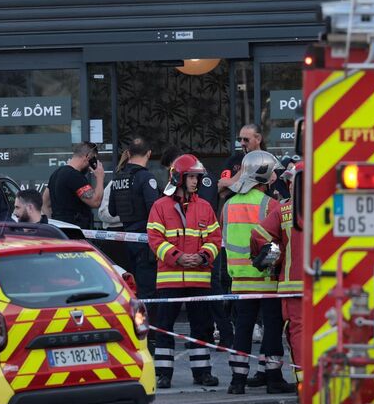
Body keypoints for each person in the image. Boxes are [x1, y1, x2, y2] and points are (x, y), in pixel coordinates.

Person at [221, 150, 294, 395]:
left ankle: (237, 380)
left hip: (239, 281)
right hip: (265, 280)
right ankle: (272, 377)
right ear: (263, 175)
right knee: (272, 329)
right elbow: (279, 242)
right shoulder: (270, 204)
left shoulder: (228, 205)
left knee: (242, 328)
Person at [147, 154, 222, 389]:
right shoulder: (160, 206)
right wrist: (178, 258)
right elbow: (155, 240)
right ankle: (163, 374)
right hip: (169, 279)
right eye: (191, 177)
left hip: (198, 279)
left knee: (200, 328)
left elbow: (215, 238)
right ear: (179, 177)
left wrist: (202, 256)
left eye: (197, 177)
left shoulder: (205, 207)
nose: (195, 182)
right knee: (164, 328)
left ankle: (202, 373)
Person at [162, 146, 232, 347]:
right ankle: (213, 336)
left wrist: (201, 256)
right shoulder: (166, 203)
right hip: (182, 270)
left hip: (202, 263)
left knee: (214, 296)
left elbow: (208, 225)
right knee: (206, 305)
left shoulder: (202, 186)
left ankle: (224, 336)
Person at [252, 160, 304, 387]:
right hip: (332, 285)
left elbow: (258, 236)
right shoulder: (335, 206)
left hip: (294, 286)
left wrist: (274, 258)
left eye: (291, 182)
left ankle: (304, 381)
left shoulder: (284, 210)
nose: (289, 186)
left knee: (299, 333)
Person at [109, 138, 161, 298]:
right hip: (145, 241)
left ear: (129, 153)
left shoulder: (118, 178)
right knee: (148, 288)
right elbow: (154, 210)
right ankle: (148, 322)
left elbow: (112, 210)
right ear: (149, 153)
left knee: (133, 288)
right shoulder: (146, 178)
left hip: (127, 239)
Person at [43, 142, 105, 230]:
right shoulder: (75, 176)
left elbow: (45, 203)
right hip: (75, 232)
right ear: (88, 157)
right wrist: (100, 177)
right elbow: (95, 202)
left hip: (60, 232)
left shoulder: (56, 174)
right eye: (93, 160)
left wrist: (54, 226)